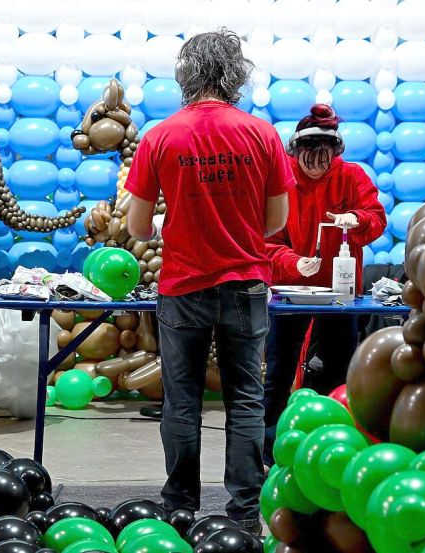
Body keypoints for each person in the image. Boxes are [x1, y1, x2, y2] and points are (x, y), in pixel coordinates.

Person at [124, 29, 294, 533]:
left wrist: (168, 222)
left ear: (186, 73)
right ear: (235, 72)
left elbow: (136, 227)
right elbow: (275, 223)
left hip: (182, 285)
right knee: (245, 397)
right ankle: (243, 515)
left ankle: (179, 506)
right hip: (246, 282)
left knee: (182, 398)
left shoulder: (161, 135)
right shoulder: (261, 134)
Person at [262, 104, 386, 465]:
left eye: (324, 159)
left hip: (341, 294)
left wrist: (356, 219)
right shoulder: (279, 181)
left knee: (338, 368)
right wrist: (292, 262)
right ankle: (269, 449)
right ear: (295, 152)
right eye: (308, 158)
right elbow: (265, 239)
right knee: (279, 370)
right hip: (290, 293)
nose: (316, 166)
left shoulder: (352, 177)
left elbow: (376, 217)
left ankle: (332, 445)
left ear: (335, 154)